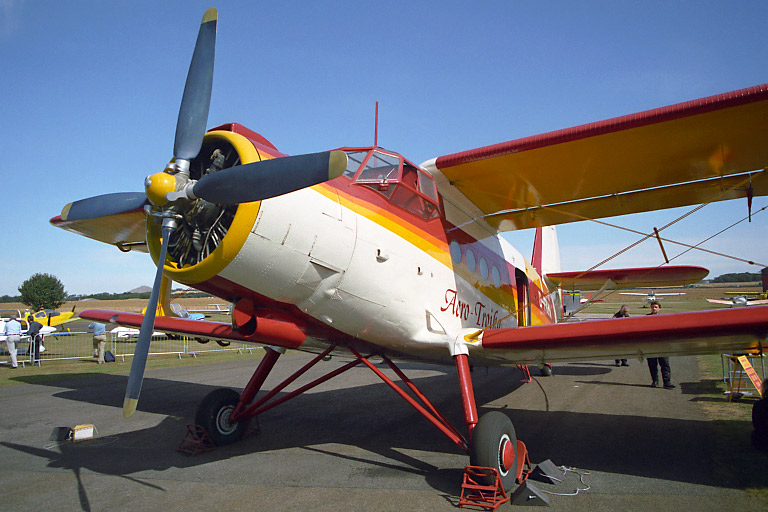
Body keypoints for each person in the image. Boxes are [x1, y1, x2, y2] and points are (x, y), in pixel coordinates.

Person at [646, 301, 675, 389]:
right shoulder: (646, 318)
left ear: (659, 308)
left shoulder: (664, 318)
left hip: (662, 345)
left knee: (665, 364)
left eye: (656, 307)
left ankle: (667, 382)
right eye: (652, 307)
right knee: (652, 364)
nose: (654, 309)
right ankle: (655, 381)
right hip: (651, 345)